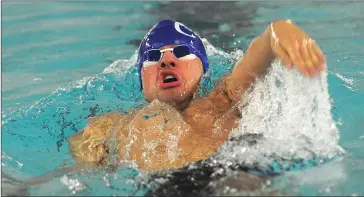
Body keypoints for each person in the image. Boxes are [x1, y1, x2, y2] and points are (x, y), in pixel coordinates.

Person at [67, 19, 326, 173]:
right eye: (153, 57)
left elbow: (256, 59)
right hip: (161, 186)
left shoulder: (224, 100)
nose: (167, 61)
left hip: (233, 173)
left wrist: (277, 31)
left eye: (181, 52)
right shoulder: (107, 126)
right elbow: (77, 176)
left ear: (202, 68)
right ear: (141, 80)